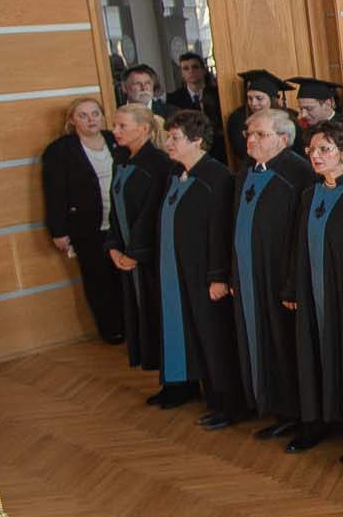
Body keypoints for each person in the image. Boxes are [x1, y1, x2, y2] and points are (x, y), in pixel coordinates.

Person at [285, 121, 343, 458]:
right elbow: (297, 245)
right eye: (311, 149)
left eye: (325, 149)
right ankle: (317, 420)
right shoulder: (310, 194)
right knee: (313, 354)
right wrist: (293, 287)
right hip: (313, 292)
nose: (316, 155)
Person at [155, 110, 248, 426]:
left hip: (207, 275)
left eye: (175, 138)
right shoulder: (178, 173)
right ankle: (213, 398)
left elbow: (221, 230)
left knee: (216, 340)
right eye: (168, 137)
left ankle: (230, 405)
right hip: (181, 273)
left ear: (197, 140)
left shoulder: (216, 177)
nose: (168, 143)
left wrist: (218, 276)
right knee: (197, 337)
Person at [230, 108, 317, 441]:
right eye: (249, 134)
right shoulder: (246, 172)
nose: (251, 140)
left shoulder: (299, 174)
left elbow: (300, 235)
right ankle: (272, 405)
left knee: (285, 346)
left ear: (283, 138)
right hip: (251, 278)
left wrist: (292, 284)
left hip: (280, 278)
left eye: (260, 134)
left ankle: (297, 414)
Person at [41, 96, 127, 344]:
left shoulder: (116, 140)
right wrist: (58, 230)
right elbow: (55, 193)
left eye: (95, 114)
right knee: (99, 280)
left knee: (125, 278)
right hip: (88, 226)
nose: (91, 120)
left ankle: (133, 327)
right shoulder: (60, 150)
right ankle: (112, 330)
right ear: (72, 120)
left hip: (121, 223)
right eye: (83, 115)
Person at [106, 102, 175, 381]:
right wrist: (113, 245)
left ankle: (177, 382)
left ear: (144, 128)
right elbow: (114, 206)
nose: (115, 131)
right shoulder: (121, 159)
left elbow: (152, 212)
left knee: (159, 315)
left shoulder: (159, 163)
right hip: (126, 255)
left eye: (122, 126)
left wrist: (135, 251)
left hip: (151, 256)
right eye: (115, 125)